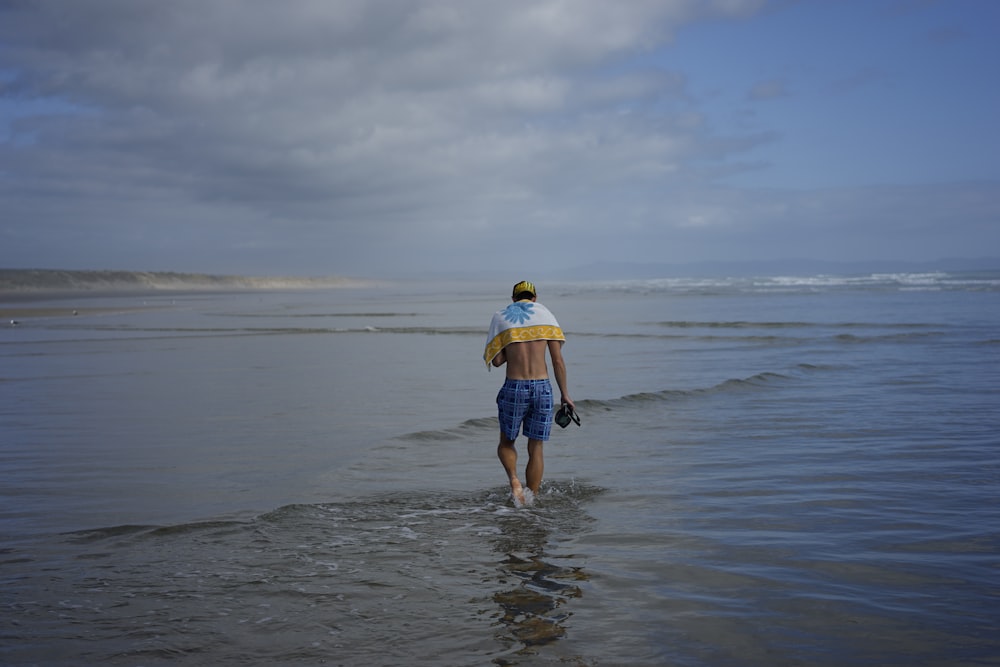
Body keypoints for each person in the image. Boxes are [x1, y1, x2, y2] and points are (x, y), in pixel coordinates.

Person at [484, 281, 575, 505]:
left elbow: (496, 361)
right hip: (543, 387)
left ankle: (515, 482)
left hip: (515, 386)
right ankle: (531, 499)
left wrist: (512, 346)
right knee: (536, 447)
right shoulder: (545, 314)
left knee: (507, 442)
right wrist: (565, 394)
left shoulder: (502, 316)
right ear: (534, 298)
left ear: (514, 299)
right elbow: (557, 360)